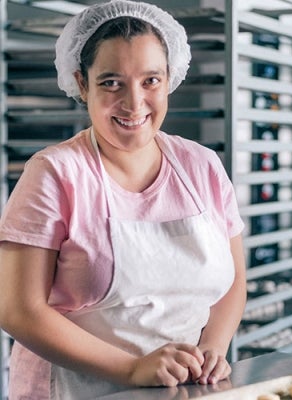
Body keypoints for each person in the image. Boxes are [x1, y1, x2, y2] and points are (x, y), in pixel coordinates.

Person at [0, 1, 247, 399]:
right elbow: (18, 309)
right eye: (111, 82)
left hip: (177, 390)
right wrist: (132, 369)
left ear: (169, 80)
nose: (134, 103)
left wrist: (212, 348)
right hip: (74, 391)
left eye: (150, 80)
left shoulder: (202, 166)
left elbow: (233, 283)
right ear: (82, 84)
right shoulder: (55, 174)